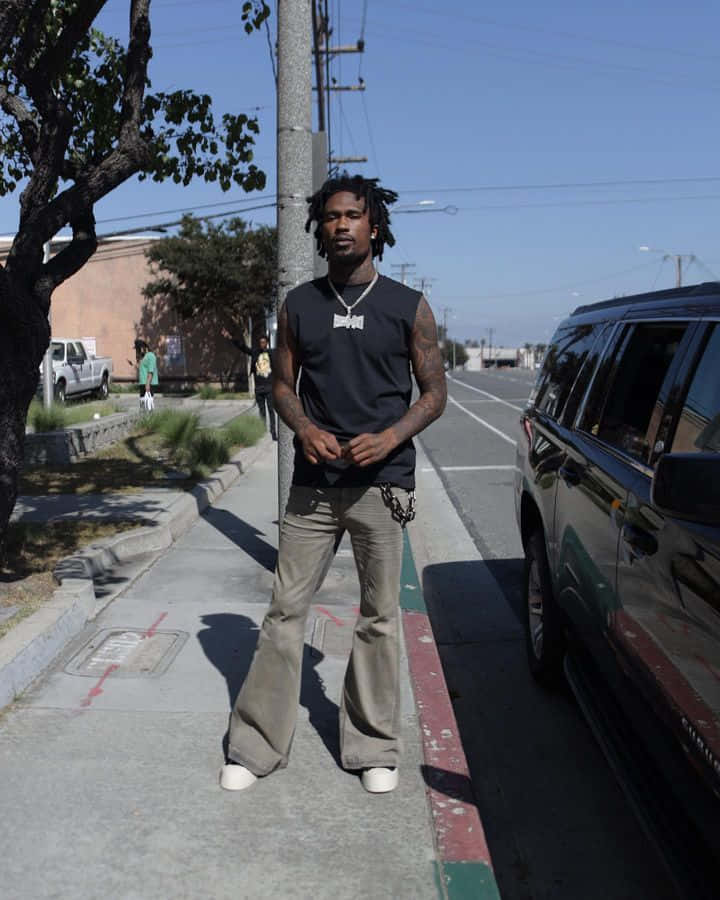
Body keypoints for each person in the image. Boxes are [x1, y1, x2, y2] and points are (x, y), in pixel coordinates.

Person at [220, 173, 447, 795]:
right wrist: (304, 428)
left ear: (375, 225)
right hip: (315, 486)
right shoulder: (299, 305)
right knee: (284, 613)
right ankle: (256, 745)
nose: (341, 225)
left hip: (382, 483)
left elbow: (435, 394)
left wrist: (392, 436)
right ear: (318, 227)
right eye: (331, 216)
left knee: (377, 617)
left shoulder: (408, 305)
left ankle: (372, 746)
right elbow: (282, 385)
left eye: (353, 215)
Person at [221, 329, 277, 440]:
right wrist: (230, 337)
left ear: (267, 343)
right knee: (262, 411)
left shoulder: (272, 353)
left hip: (269, 387)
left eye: (264, 342)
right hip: (259, 388)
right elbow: (243, 347)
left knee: (271, 410)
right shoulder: (255, 352)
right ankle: (262, 430)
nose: (262, 344)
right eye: (260, 342)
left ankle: (273, 431)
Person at [135, 339, 158, 409]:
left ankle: (150, 417)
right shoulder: (143, 357)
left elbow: (151, 371)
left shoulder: (151, 356)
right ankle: (144, 417)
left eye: (138, 349)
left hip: (148, 383)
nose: (137, 351)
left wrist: (147, 384)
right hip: (142, 383)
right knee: (143, 403)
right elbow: (142, 368)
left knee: (148, 403)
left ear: (142, 348)